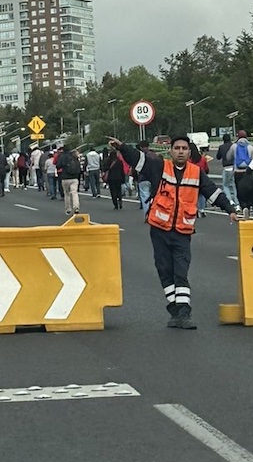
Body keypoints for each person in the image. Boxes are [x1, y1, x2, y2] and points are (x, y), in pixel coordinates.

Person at [119, 133, 238, 328]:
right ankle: (174, 308)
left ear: (189, 152)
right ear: (170, 151)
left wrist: (231, 210)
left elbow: (213, 192)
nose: (181, 151)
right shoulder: (159, 167)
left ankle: (184, 313)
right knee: (164, 270)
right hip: (159, 230)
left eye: (184, 149)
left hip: (182, 232)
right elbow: (138, 159)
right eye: (177, 148)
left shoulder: (196, 172)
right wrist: (122, 147)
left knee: (181, 272)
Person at [55, 142, 83, 213]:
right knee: (74, 192)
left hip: (65, 177)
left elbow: (58, 165)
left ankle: (68, 209)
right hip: (74, 177)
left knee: (66, 194)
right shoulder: (74, 156)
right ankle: (76, 207)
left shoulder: (62, 156)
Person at [217, 133, 239, 209]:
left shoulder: (221, 147)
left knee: (225, 185)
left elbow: (218, 157)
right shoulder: (234, 146)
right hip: (234, 167)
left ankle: (230, 200)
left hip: (226, 168)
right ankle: (237, 203)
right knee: (234, 185)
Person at [102, 140, 127, 209]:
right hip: (118, 178)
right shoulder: (119, 161)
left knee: (113, 191)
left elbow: (105, 169)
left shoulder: (108, 161)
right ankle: (120, 200)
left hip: (111, 178)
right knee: (119, 190)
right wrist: (123, 178)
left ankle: (115, 204)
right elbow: (122, 170)